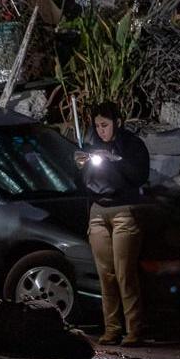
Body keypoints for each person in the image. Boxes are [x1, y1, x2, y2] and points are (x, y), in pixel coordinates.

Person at [75, 101, 150, 346]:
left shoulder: (132, 145)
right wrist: (81, 165)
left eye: (105, 125)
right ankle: (111, 328)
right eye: (97, 125)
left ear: (117, 122)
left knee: (125, 272)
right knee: (105, 273)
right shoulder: (92, 147)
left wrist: (114, 159)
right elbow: (81, 182)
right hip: (98, 211)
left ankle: (135, 329)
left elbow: (139, 175)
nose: (101, 130)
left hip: (124, 210)